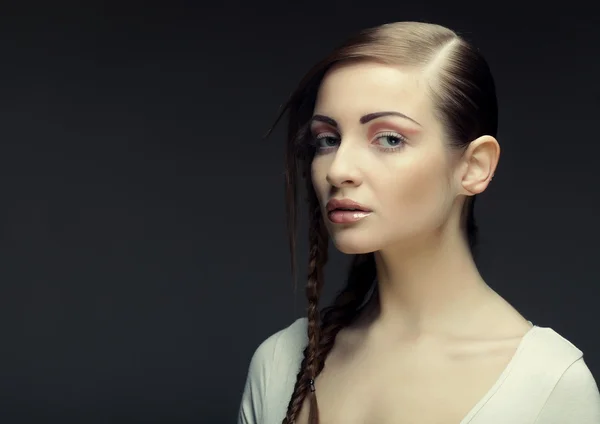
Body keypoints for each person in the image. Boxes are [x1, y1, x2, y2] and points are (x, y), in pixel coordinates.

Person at [237, 21, 600, 424]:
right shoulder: (279, 364)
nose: (338, 169)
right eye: (328, 139)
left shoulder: (547, 387)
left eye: (389, 138)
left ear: (474, 166)